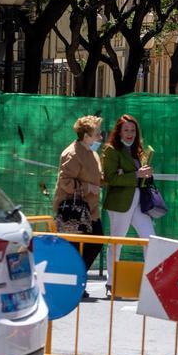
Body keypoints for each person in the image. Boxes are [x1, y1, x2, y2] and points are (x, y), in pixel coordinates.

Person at [101, 114, 155, 298]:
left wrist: (146, 174)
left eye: (133, 130)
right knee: (117, 242)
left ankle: (150, 284)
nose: (130, 133)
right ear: (119, 132)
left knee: (150, 239)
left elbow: (130, 175)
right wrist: (136, 175)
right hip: (120, 203)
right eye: (126, 130)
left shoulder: (138, 150)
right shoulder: (110, 150)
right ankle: (111, 283)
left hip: (139, 202)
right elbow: (110, 178)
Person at [53, 115, 105, 295]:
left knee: (94, 242)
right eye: (97, 133)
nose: (100, 137)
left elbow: (96, 176)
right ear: (86, 135)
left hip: (90, 209)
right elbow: (65, 182)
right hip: (73, 210)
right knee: (78, 247)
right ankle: (72, 284)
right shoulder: (73, 154)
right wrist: (88, 187)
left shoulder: (92, 152)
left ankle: (75, 281)